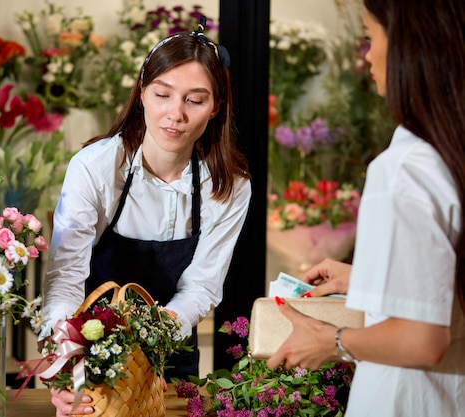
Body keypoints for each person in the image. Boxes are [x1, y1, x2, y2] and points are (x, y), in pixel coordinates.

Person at [39, 17, 252, 416]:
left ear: (215, 107)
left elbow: (201, 289)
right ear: (141, 93)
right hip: (93, 352)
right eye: (162, 94)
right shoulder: (96, 167)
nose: (175, 114)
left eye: (195, 99)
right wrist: (68, 364)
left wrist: (149, 338)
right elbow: (66, 277)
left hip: (172, 358)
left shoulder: (229, 184)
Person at [267, 0, 465, 415]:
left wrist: (329, 341)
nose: (367, 54)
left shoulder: (403, 170)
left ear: (409, 49)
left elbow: (421, 339)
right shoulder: (449, 153)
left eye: (370, 37)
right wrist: (367, 279)